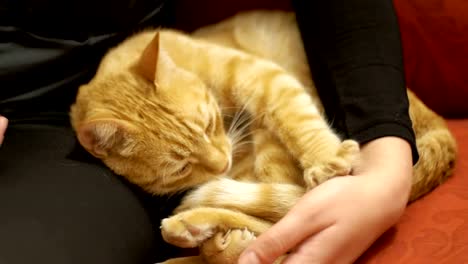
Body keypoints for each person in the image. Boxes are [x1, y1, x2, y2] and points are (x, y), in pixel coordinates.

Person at [0, 0, 417, 264]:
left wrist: (386, 168)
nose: (221, 161)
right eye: (183, 164)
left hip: (67, 123)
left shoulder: (170, 63)